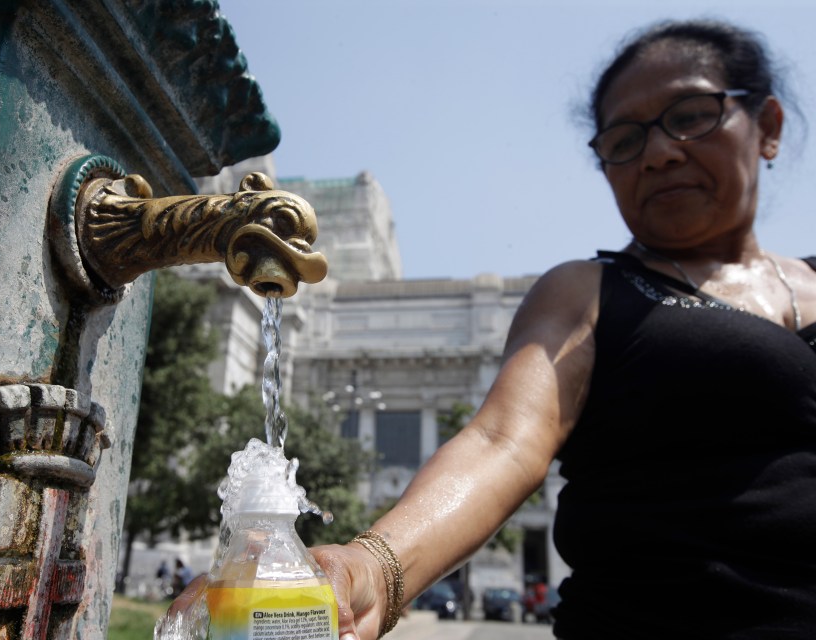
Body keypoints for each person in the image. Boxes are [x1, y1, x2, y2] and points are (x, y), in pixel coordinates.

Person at [166, 18, 816, 639]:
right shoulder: (587, 293)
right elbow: (502, 441)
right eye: (625, 139)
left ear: (768, 125)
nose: (660, 153)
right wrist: (372, 568)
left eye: (690, 116)